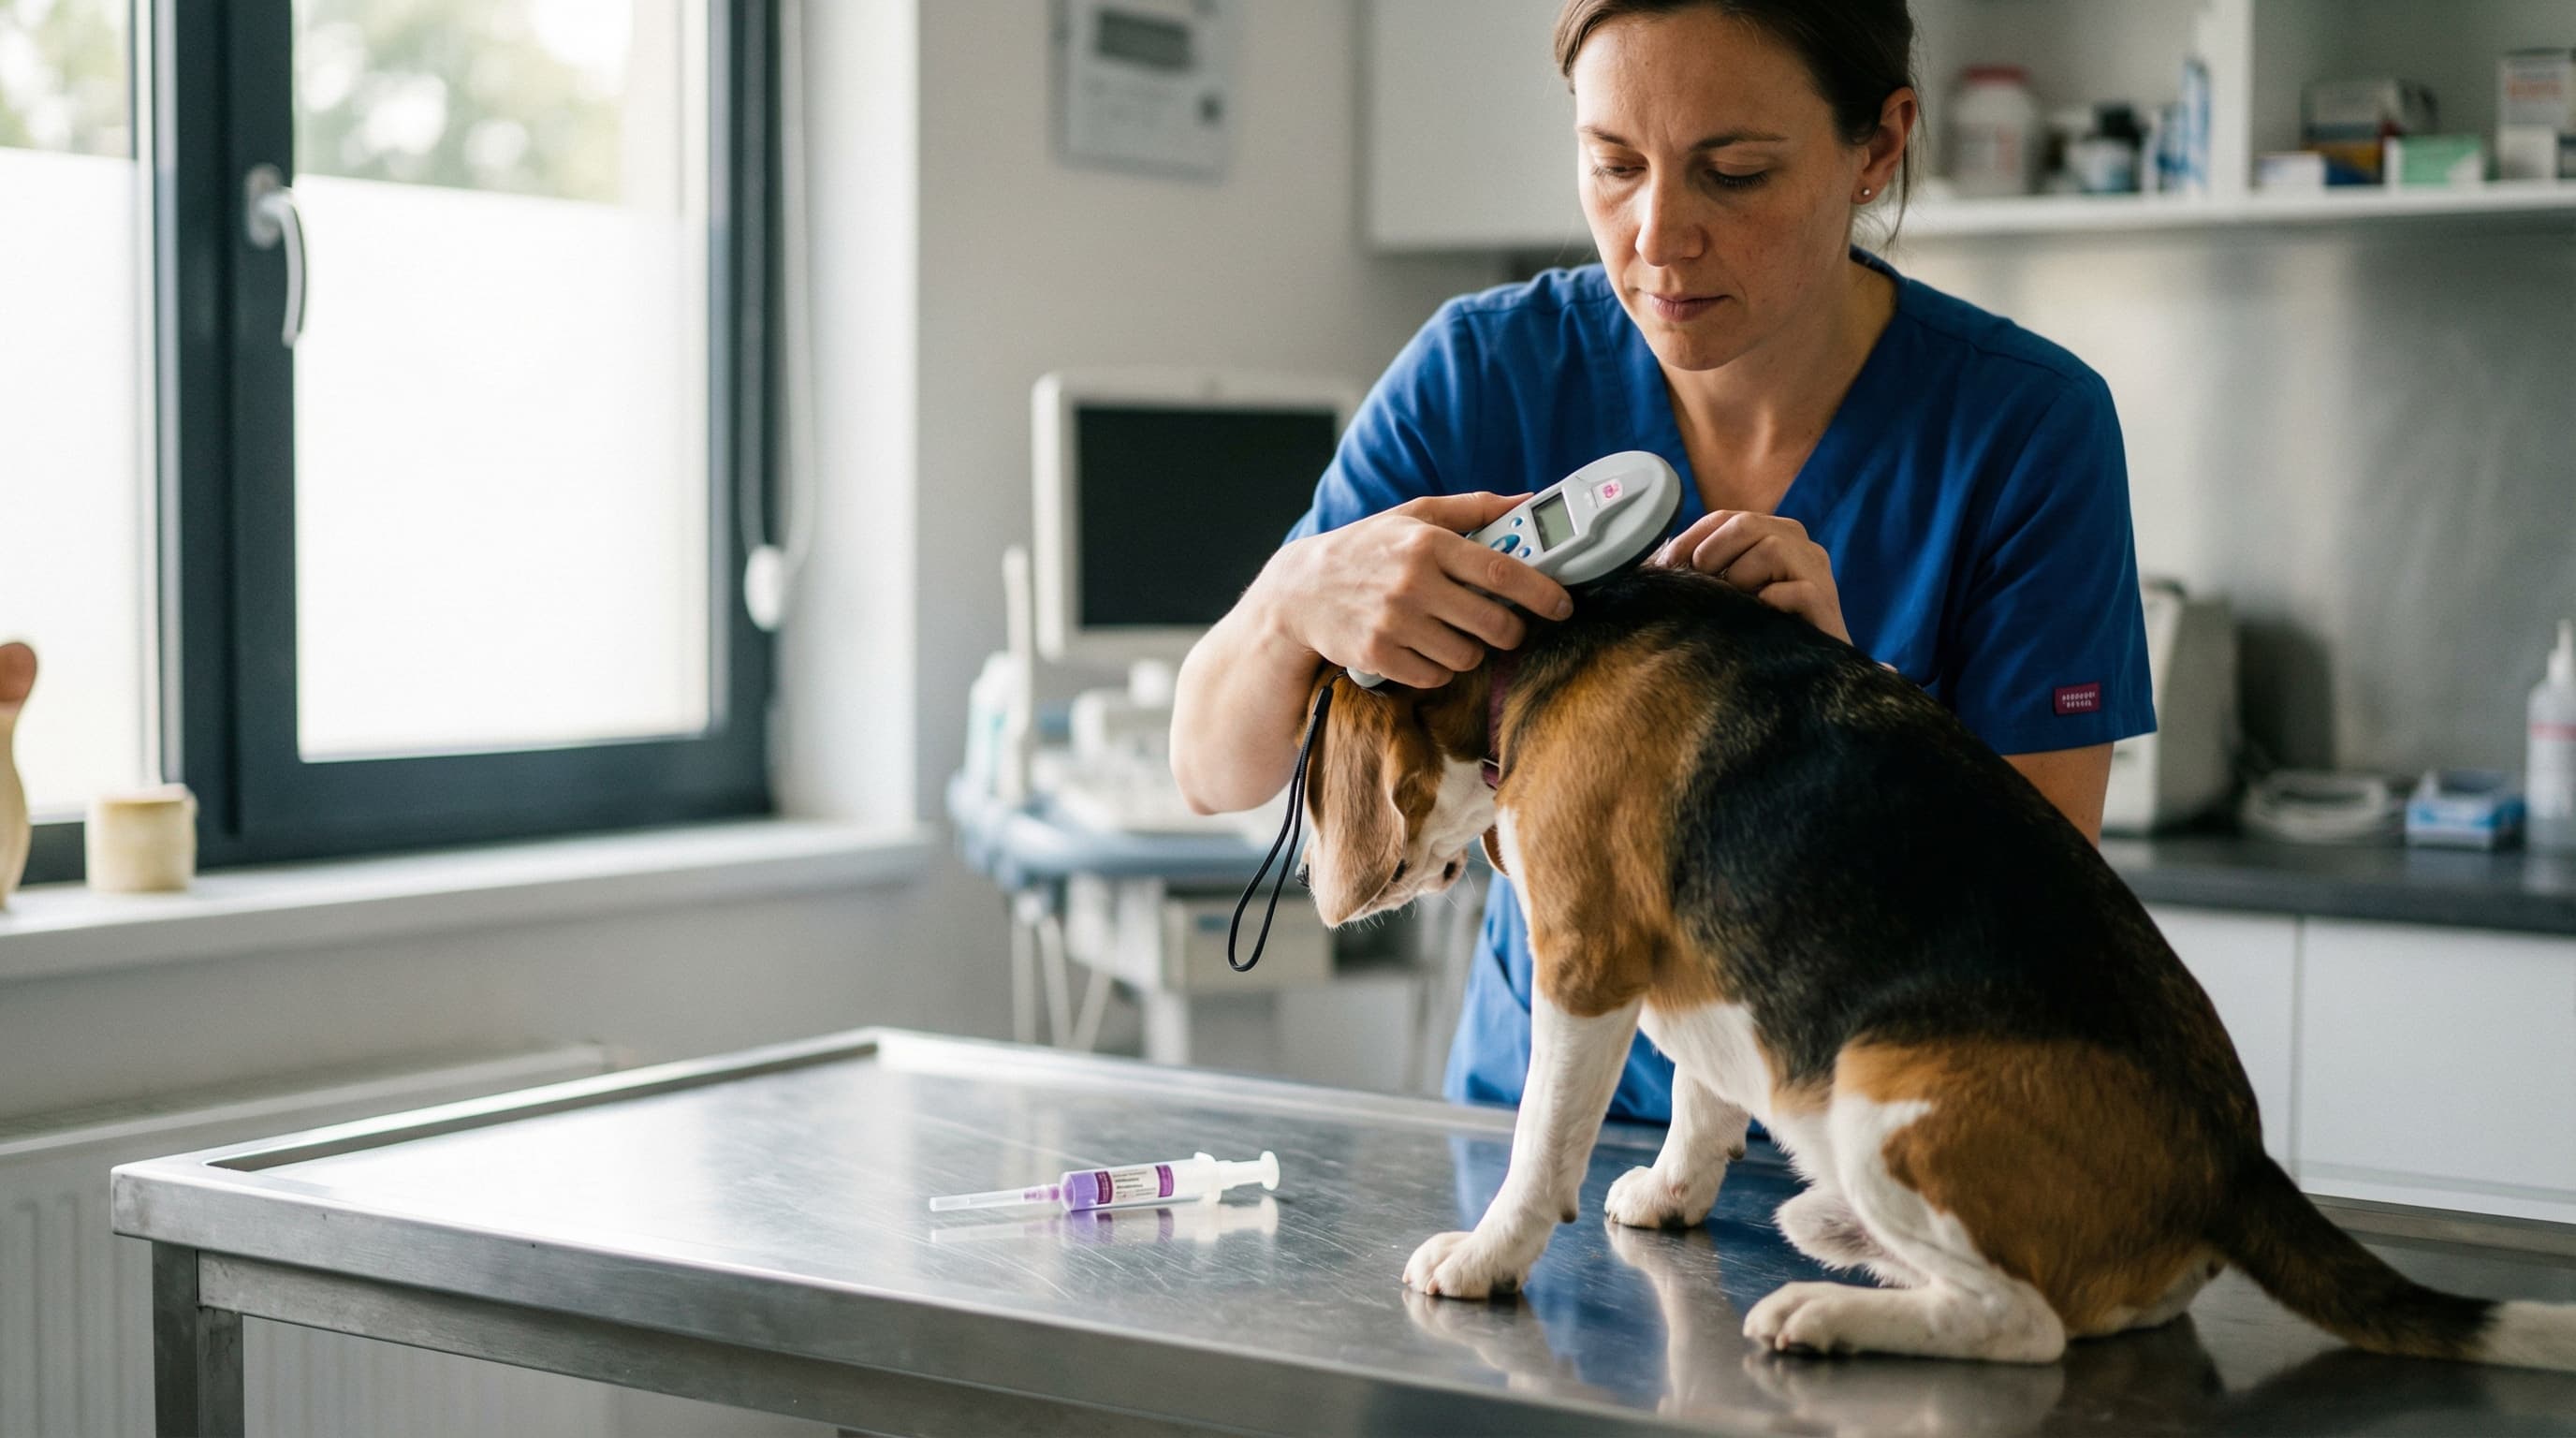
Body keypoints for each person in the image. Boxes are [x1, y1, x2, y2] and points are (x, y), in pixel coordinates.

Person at [1170, 0, 2153, 1123]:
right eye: (1612, 164)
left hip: (1849, 1165)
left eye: (1731, 173)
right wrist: (1291, 603)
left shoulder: (2024, 429)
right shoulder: (1482, 374)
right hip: (1532, 1143)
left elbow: (2034, 918)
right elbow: (1210, 771)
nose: (1657, 234)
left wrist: (1845, 717)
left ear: (1875, 147)